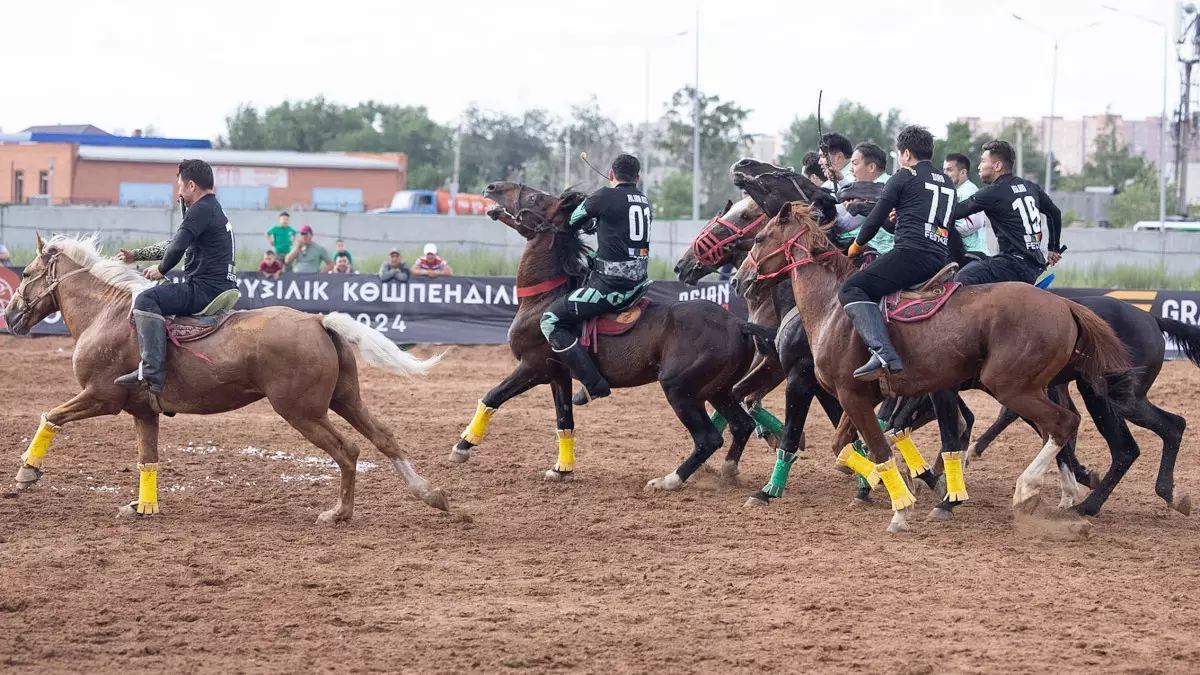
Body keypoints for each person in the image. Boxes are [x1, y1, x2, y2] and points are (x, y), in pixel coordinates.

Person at [840, 126, 954, 381]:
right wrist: (895, 220)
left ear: (905, 153)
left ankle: (883, 353)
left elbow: (873, 221)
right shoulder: (946, 181)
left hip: (911, 255)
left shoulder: (904, 176)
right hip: (939, 257)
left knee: (851, 289)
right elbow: (896, 223)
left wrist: (855, 247)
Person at [113, 159, 236, 393]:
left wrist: (160, 270)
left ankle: (151, 370)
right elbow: (175, 243)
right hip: (219, 286)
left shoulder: (200, 209)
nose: (179, 192)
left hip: (204, 289)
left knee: (146, 300)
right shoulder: (211, 208)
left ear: (191, 185)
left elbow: (177, 246)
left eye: (179, 186)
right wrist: (137, 255)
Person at [542, 153, 652, 405]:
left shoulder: (604, 195)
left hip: (612, 286)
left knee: (550, 321)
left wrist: (592, 219)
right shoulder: (645, 201)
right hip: (639, 282)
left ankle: (593, 384)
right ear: (637, 178)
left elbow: (573, 220)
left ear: (611, 174)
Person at [950, 140, 1063, 286]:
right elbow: (1055, 213)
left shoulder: (993, 192)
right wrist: (1054, 248)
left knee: (963, 277)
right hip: (1035, 264)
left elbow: (956, 212)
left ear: (997, 166)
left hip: (1013, 265)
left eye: (983, 161)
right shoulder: (1030, 187)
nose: (979, 167)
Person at [943, 153, 990, 260]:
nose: (945, 174)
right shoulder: (955, 191)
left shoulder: (968, 190)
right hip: (961, 252)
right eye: (944, 169)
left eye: (949, 170)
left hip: (972, 253)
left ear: (963, 172)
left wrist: (946, 234)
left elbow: (975, 223)